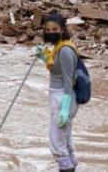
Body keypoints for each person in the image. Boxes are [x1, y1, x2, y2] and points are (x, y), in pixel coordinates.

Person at [35, 11, 80, 172]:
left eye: (55, 29)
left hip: (63, 96)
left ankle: (66, 167)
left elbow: (68, 81)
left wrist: (65, 109)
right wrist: (46, 57)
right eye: (48, 30)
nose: (51, 33)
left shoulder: (66, 51)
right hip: (58, 95)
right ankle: (71, 163)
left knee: (56, 140)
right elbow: (57, 69)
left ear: (62, 29)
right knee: (65, 137)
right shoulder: (58, 47)